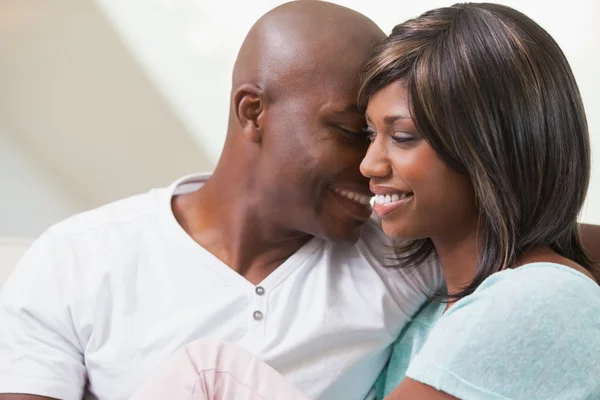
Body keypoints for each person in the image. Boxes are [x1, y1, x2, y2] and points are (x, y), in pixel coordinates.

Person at [2, 2, 600, 400]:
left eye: (397, 135)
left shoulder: (404, 250)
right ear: (252, 112)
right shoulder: (79, 259)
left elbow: (538, 261)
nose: (368, 168)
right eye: (354, 131)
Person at [358, 3, 600, 399]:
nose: (369, 165)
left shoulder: (544, 297)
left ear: (494, 148)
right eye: (370, 134)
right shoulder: (427, 316)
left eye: (402, 137)